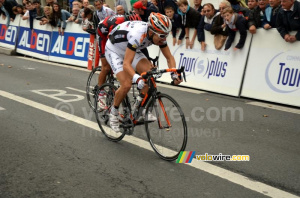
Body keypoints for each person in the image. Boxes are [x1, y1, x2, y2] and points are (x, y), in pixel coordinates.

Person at [106, 12, 182, 132]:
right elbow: (126, 64)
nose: (164, 39)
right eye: (162, 36)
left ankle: (139, 108)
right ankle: (113, 113)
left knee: (149, 74)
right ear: (151, 31)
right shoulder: (138, 35)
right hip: (114, 49)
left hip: (131, 48)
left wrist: (174, 73)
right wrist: (137, 78)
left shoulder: (158, 35)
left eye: (166, 35)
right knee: (126, 84)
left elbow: (169, 58)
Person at [95, 12, 142, 109]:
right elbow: (113, 44)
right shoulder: (119, 24)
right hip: (104, 35)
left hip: (113, 35)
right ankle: (101, 93)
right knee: (106, 67)